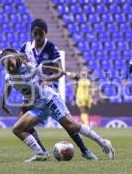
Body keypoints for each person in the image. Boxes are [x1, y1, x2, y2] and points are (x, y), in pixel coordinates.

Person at [0, 49, 115, 162]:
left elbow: (47, 68)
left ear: (15, 59)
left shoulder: (28, 67)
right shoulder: (8, 77)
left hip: (50, 100)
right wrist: (3, 104)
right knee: (17, 129)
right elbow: (7, 88)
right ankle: (41, 154)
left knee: (72, 126)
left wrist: (68, 73)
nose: (8, 66)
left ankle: (103, 143)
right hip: (38, 107)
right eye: (4, 63)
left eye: (10, 61)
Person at [17, 19, 98, 160]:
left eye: (40, 34)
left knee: (67, 123)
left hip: (49, 91)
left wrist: (46, 80)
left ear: (45, 33)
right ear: (31, 33)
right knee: (22, 121)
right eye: (34, 34)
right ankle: (41, 152)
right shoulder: (25, 48)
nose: (37, 38)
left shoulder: (51, 48)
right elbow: (17, 63)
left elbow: (60, 71)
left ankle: (84, 150)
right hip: (31, 91)